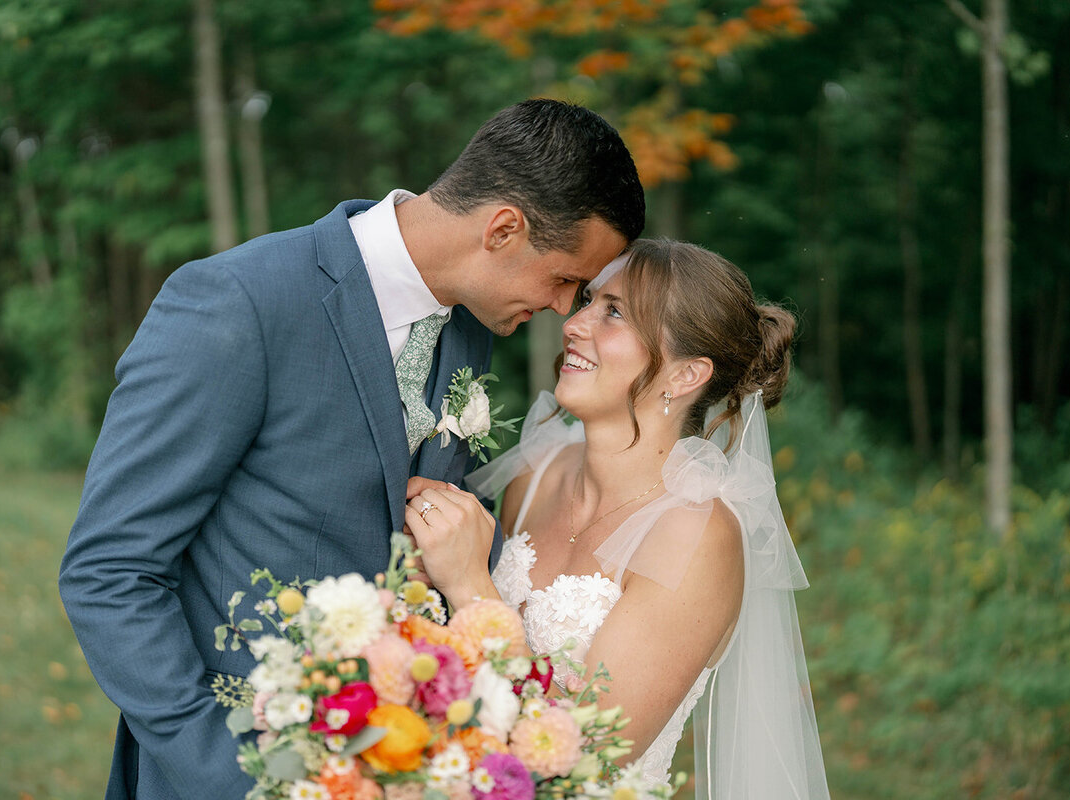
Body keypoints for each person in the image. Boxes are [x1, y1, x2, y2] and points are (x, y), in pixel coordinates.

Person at [58, 99, 645, 800]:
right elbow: (108, 570)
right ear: (503, 229)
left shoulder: (468, 325)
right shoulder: (237, 302)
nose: (562, 308)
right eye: (564, 278)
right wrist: (236, 775)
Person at [406, 238, 830, 799]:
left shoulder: (697, 534)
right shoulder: (538, 477)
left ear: (685, 376)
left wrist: (469, 587)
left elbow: (585, 760)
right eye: (589, 300)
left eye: (614, 313)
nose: (575, 324)